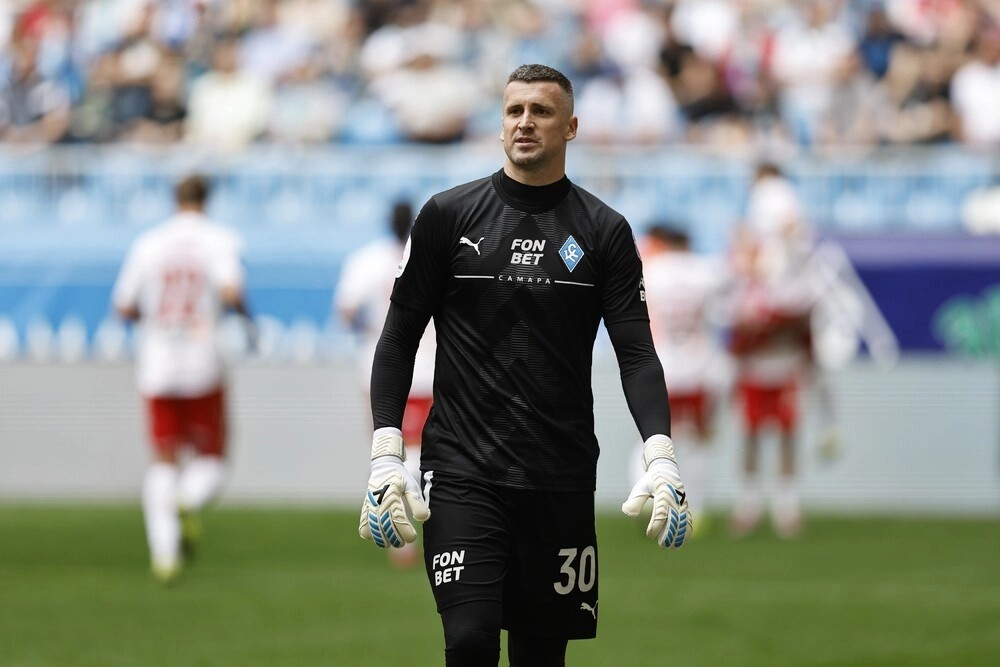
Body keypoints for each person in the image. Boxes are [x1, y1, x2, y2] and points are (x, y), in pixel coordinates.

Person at [357, 63, 690, 666]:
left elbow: (636, 352)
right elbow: (399, 336)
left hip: (560, 473)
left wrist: (660, 453)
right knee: (469, 638)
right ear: (500, 123)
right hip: (461, 470)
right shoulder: (447, 216)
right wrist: (386, 449)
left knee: (541, 657)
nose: (525, 122)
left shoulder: (605, 231)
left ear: (571, 127)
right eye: (515, 111)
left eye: (541, 111)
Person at [113, 174, 251, 583]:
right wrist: (248, 319)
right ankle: (186, 500)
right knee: (212, 457)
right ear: (206, 200)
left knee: (163, 458)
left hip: (157, 362)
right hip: (202, 359)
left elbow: (123, 306)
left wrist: (156, 320)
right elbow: (230, 291)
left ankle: (165, 555)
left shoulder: (148, 243)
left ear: (175, 199)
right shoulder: (220, 239)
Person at [335, 199, 436, 569]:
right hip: (428, 369)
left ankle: (395, 533)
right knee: (422, 454)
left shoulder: (367, 259)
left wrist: (373, 331)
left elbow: (346, 312)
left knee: (388, 451)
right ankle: (407, 527)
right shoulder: (432, 255)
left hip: (381, 370)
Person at [631, 223, 731, 534]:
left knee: (649, 438)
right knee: (699, 439)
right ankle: (695, 509)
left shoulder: (653, 269)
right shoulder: (706, 271)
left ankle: (649, 503)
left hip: (663, 366)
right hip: (699, 366)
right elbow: (725, 311)